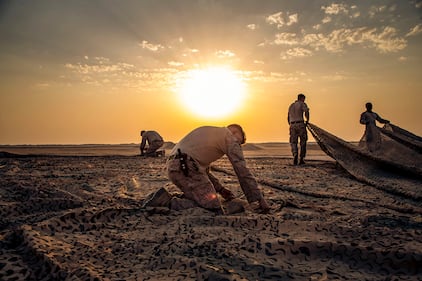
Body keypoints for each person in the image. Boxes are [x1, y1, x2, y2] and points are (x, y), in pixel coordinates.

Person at [162, 124, 270, 215]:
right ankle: (167, 203)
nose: (237, 146)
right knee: (213, 207)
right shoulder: (228, 136)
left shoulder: (209, 133)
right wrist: (258, 199)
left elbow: (202, 172)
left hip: (174, 168)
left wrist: (221, 189)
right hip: (186, 167)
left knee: (198, 197)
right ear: (234, 131)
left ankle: (165, 198)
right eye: (238, 142)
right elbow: (242, 172)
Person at [287, 93, 310, 165]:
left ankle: (295, 154)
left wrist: (290, 124)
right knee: (303, 141)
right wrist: (307, 120)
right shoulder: (302, 104)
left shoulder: (291, 105)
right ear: (302, 98)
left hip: (292, 124)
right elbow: (306, 112)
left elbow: (288, 117)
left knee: (293, 142)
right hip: (300, 124)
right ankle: (301, 158)